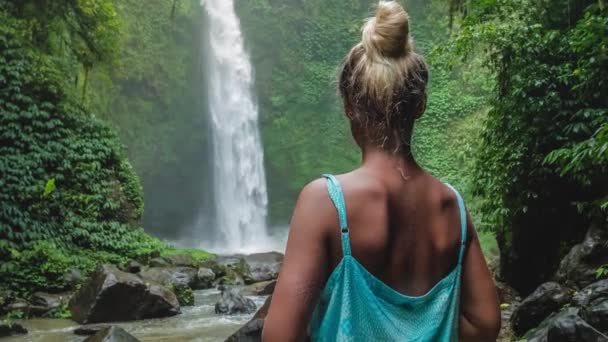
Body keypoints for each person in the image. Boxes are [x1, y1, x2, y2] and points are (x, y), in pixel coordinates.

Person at [262, 1, 501, 341]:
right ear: (420, 105)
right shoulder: (453, 208)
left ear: (348, 105)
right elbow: (485, 324)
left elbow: (279, 337)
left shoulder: (326, 204)